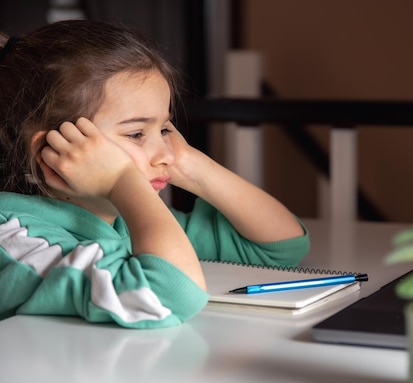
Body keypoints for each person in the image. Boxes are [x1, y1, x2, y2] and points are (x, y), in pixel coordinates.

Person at [0, 20, 310, 329]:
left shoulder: (123, 217)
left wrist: (189, 164)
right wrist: (122, 180)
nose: (164, 152)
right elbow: (164, 298)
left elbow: (279, 247)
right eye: (136, 133)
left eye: (163, 128)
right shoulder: (16, 238)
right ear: (52, 149)